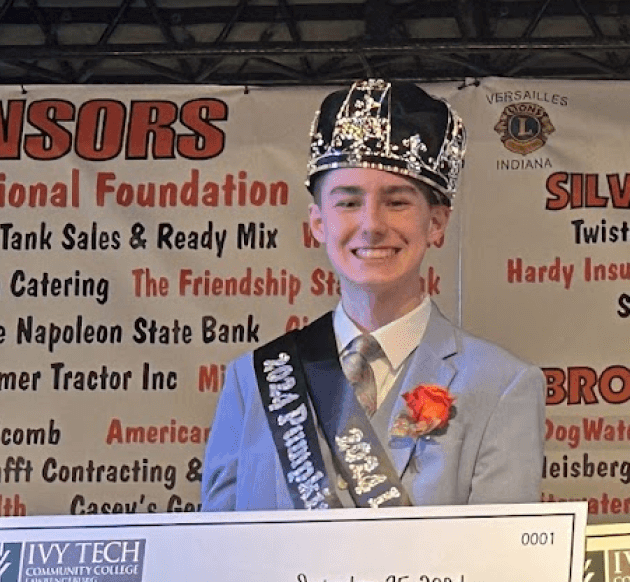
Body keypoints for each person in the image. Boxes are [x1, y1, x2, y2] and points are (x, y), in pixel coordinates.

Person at [202, 79, 543, 511]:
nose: (371, 225)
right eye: (348, 203)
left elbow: (502, 559)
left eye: (396, 202)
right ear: (318, 222)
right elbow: (216, 552)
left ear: (436, 223)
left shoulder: (502, 385)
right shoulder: (253, 382)